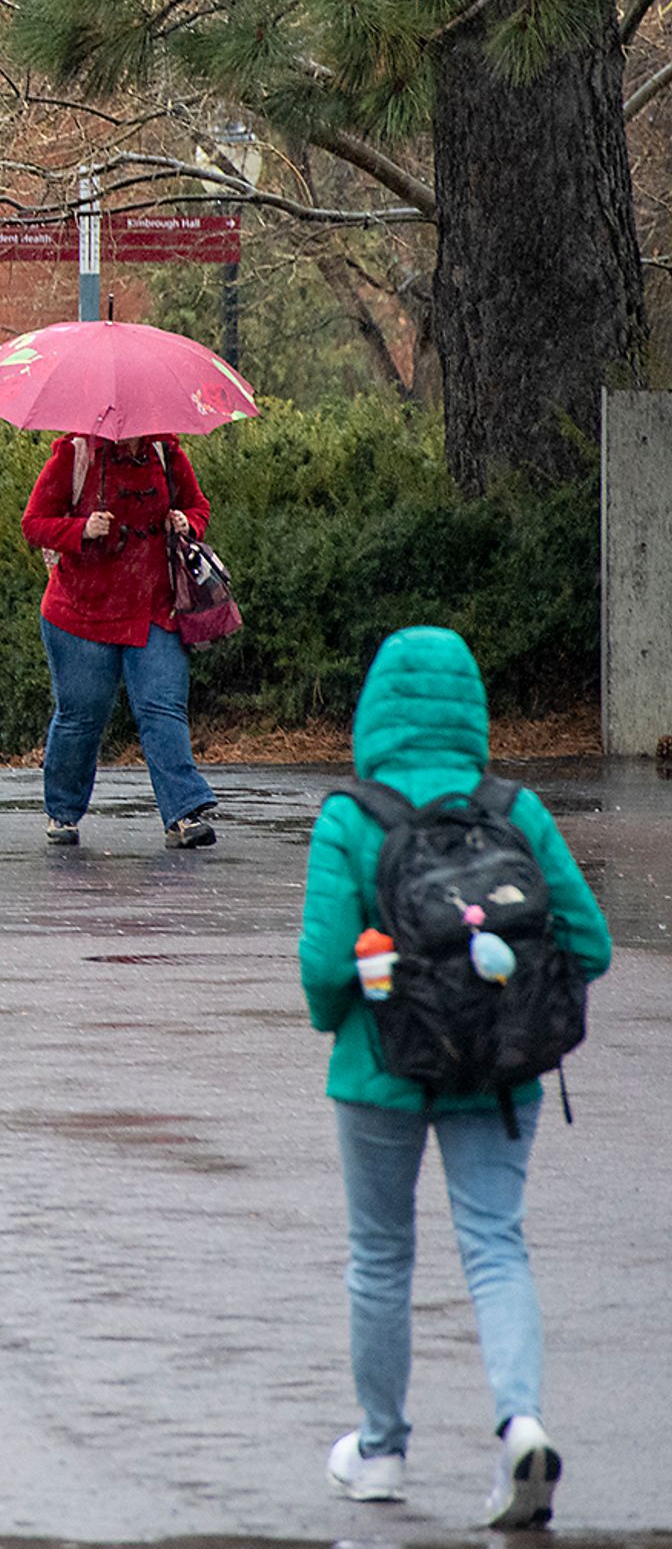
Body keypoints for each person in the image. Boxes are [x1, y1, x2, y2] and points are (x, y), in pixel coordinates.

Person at [301, 627, 610, 1527]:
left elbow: (324, 970)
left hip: (380, 1073)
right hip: (501, 1072)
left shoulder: (350, 820)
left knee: (382, 1256)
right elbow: (587, 942)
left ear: (375, 708)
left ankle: (382, 1450)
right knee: (495, 1243)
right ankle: (521, 1423)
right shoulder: (517, 812)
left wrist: (351, 1012)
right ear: (472, 706)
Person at [17, 428, 222, 848]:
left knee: (163, 708)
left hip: (153, 609)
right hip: (80, 614)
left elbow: (197, 506)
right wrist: (81, 530)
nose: (132, 435)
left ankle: (184, 813)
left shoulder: (166, 453)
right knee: (81, 717)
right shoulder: (74, 455)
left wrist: (188, 521)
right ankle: (63, 813)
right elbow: (34, 524)